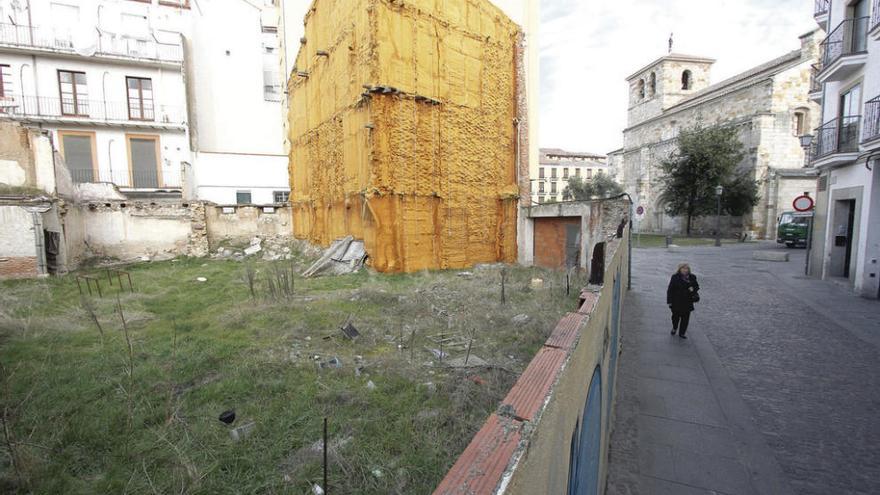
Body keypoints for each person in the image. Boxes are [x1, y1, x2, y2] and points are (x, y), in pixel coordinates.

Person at [666, 263, 699, 339]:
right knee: (675, 317)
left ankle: (682, 333)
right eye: (683, 268)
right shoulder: (675, 277)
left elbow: (696, 286)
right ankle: (674, 327)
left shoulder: (692, 277)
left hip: (688, 301)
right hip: (676, 301)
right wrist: (669, 301)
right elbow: (670, 290)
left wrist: (693, 289)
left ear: (689, 269)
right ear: (679, 269)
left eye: (686, 268)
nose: (685, 270)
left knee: (685, 318)